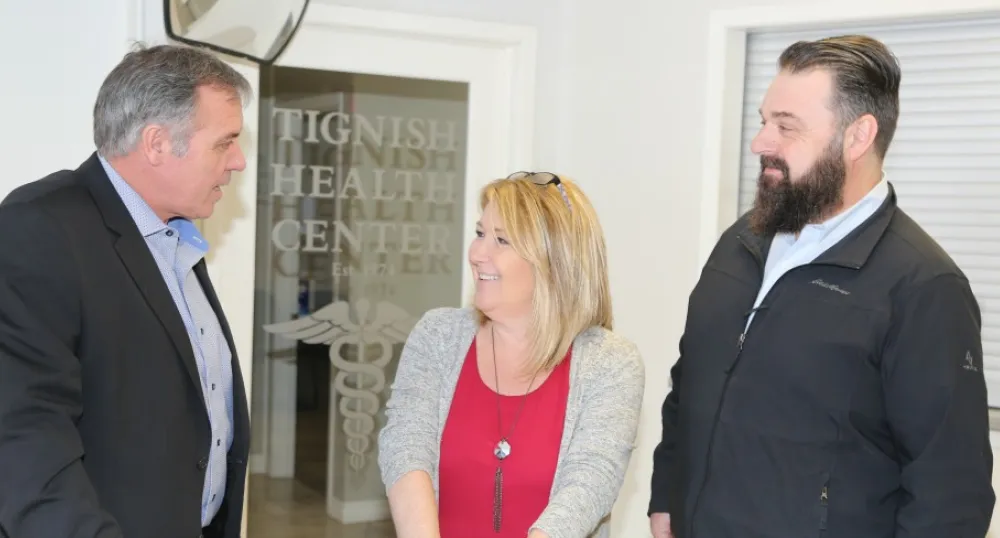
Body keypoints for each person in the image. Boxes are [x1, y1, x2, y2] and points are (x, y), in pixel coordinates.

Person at [649, 35, 995, 538]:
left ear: (858, 137)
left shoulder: (924, 287)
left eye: (785, 126)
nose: (760, 142)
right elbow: (691, 384)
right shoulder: (740, 243)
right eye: (764, 120)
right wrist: (667, 498)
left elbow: (951, 494)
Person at [0, 44, 252, 538]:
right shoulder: (40, 228)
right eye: (225, 143)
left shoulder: (175, 236)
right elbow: (22, 436)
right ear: (157, 143)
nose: (239, 161)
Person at [378, 172, 645, 538]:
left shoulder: (610, 363)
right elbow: (407, 450)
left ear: (554, 260)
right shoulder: (438, 336)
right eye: (480, 234)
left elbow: (590, 481)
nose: (477, 254)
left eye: (501, 240)